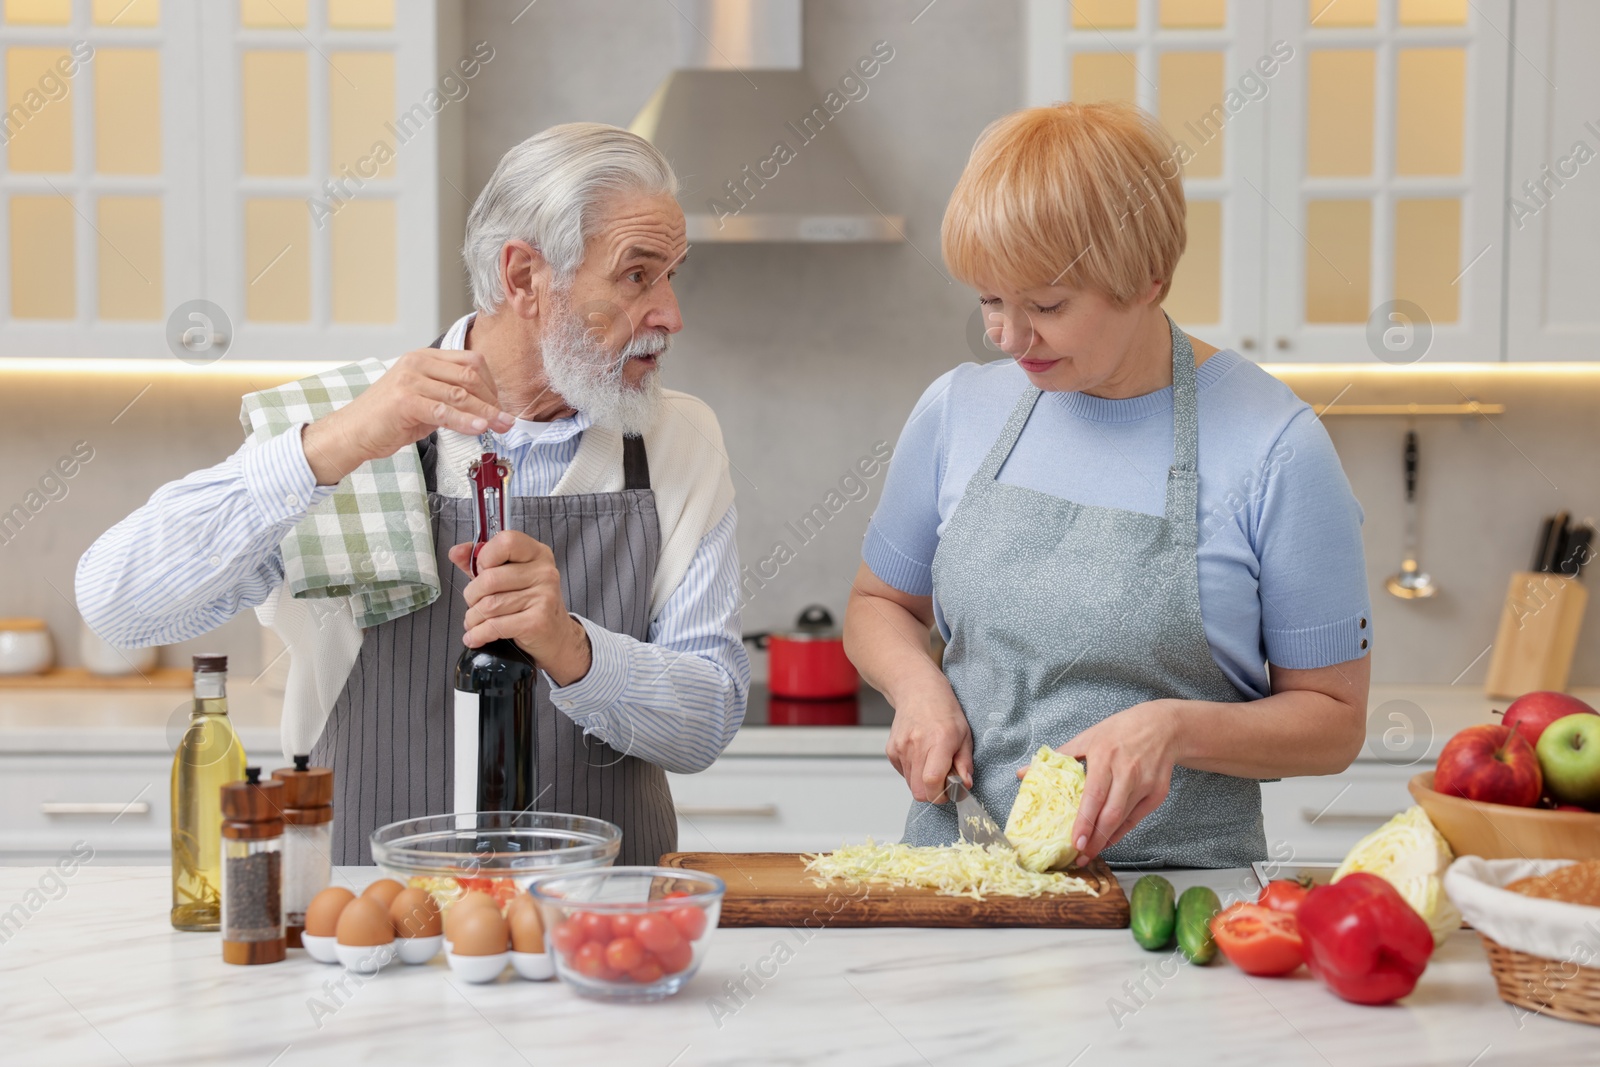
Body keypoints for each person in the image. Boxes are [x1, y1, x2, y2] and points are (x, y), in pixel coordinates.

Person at [77, 123, 749, 865]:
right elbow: (119, 605)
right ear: (525, 277)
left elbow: (707, 722)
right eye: (636, 275)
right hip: (367, 921)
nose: (669, 316)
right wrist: (332, 447)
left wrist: (572, 647)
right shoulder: (348, 426)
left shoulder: (678, 442)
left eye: (671, 275)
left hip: (601, 928)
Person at [843, 102, 1372, 869]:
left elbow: (1334, 722)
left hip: (1176, 911)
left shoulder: (1275, 448)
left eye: (1047, 306)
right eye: (991, 299)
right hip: (957, 882)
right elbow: (878, 604)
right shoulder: (960, 410)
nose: (1008, 338)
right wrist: (916, 686)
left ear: (1147, 278)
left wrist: (1172, 727)